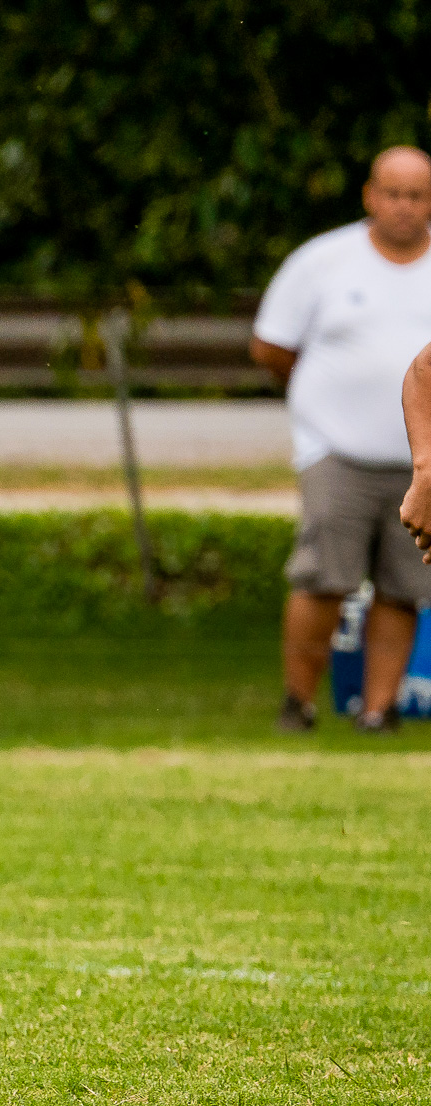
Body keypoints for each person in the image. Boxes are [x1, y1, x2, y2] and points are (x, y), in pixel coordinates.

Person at [252, 145, 431, 734]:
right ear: (370, 195)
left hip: (421, 462)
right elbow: (272, 347)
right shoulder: (322, 261)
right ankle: (298, 704)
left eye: (417, 195)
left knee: (405, 587)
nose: (404, 206)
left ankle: (378, 711)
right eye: (394, 193)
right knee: (324, 579)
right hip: (336, 453)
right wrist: (326, 406)